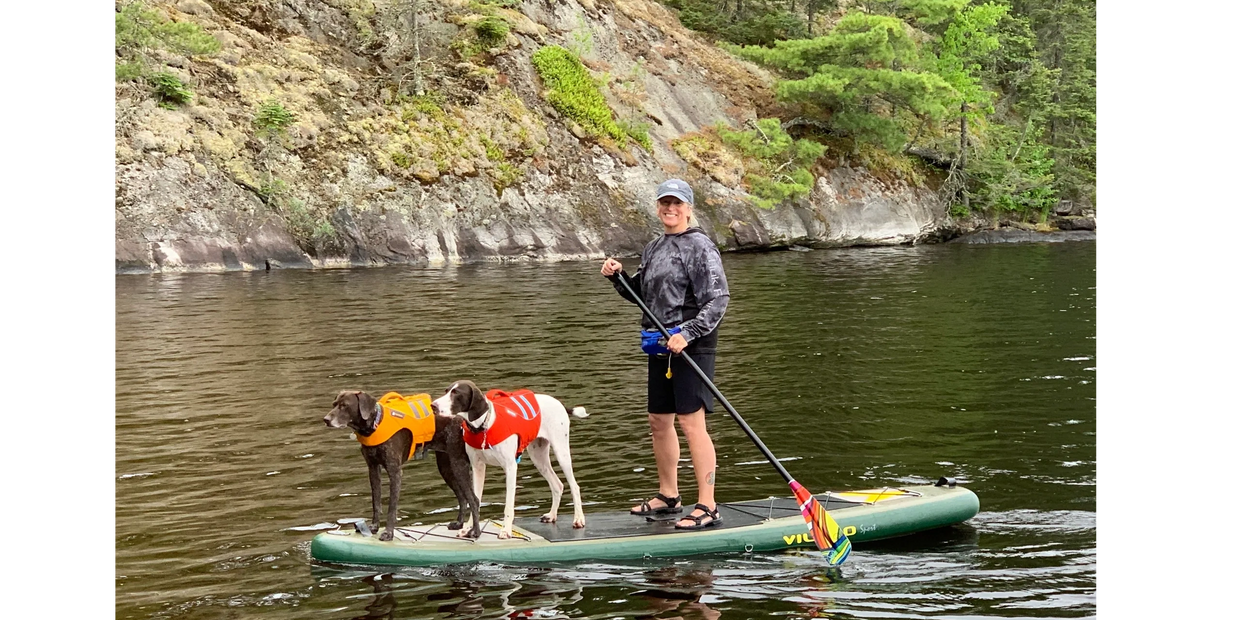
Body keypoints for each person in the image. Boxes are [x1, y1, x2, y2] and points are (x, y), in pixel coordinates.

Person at [601, 178, 730, 530]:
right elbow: (642, 293)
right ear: (658, 207)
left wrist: (687, 333)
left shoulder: (701, 247)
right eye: (664, 203)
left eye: (676, 204)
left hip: (692, 346)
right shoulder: (655, 246)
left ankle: (708, 505)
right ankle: (669, 495)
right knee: (658, 420)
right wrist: (619, 278)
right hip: (660, 345)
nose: (670, 209)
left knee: (692, 423)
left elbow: (718, 300)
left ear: (688, 208)